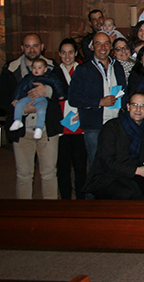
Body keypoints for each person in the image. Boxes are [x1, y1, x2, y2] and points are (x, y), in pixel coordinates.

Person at [0, 33, 62, 199]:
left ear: (42, 47)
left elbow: (64, 92)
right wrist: (22, 109)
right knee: (24, 174)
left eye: (35, 46)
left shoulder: (53, 66)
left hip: (47, 129)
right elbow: (1, 98)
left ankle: (50, 213)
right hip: (23, 130)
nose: (31, 50)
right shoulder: (11, 69)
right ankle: (24, 212)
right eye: (27, 46)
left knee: (49, 173)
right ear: (22, 48)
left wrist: (47, 91)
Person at [68, 32, 128, 167]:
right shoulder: (83, 69)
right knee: (97, 165)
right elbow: (73, 98)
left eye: (106, 43)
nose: (103, 47)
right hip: (94, 125)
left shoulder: (117, 66)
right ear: (92, 47)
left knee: (116, 164)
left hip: (116, 125)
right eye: (98, 43)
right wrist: (99, 102)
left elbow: (124, 91)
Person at [83, 91, 144, 200]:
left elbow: (142, 160)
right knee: (128, 193)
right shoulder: (112, 127)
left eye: (142, 106)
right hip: (105, 177)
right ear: (128, 107)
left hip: (130, 176)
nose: (138, 109)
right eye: (134, 105)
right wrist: (136, 171)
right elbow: (106, 163)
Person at [55, 38, 87, 200]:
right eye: (64, 52)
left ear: (75, 53)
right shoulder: (54, 72)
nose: (67, 56)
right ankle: (66, 199)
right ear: (60, 54)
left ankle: (81, 200)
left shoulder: (83, 71)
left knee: (81, 167)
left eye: (70, 52)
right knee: (63, 167)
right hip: (61, 126)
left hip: (80, 125)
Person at [10, 58, 66, 140]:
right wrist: (16, 98)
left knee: (41, 111)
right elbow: (19, 88)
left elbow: (58, 85)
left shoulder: (50, 77)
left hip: (42, 99)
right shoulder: (27, 77)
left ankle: (39, 128)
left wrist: (60, 94)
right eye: (34, 68)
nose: (36, 70)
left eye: (39, 68)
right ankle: (17, 121)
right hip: (28, 97)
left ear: (45, 69)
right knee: (18, 105)